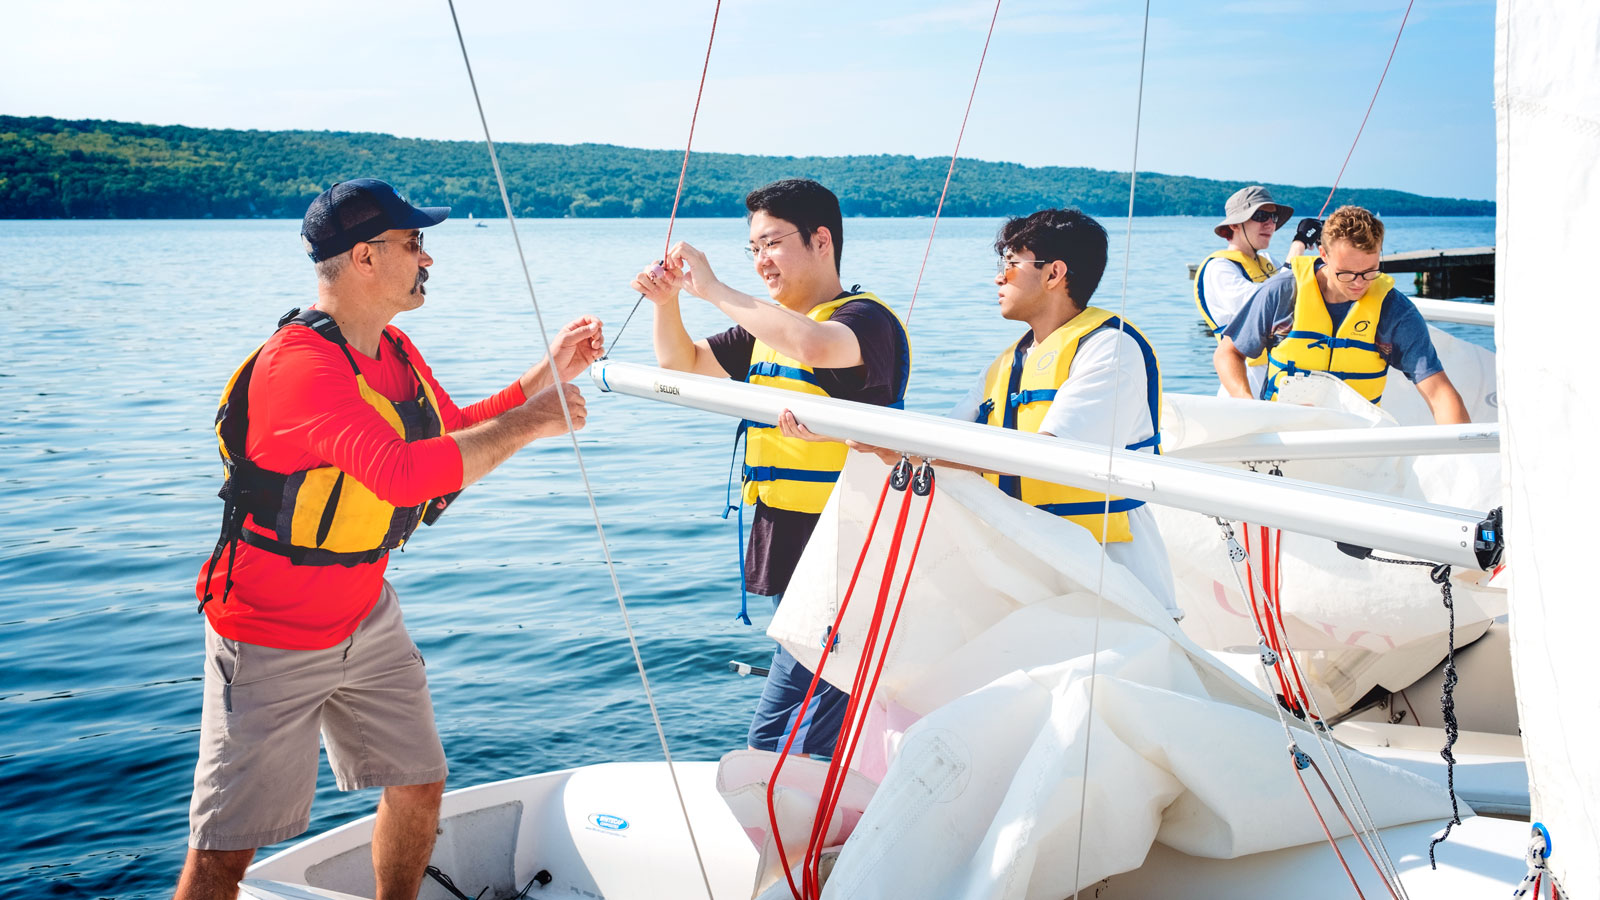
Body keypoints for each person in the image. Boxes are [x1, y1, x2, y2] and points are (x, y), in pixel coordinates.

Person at [175, 178, 604, 900]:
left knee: (418, 781)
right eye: (413, 244)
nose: (426, 258)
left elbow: (455, 428)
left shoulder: (394, 349)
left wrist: (546, 377)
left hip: (364, 610)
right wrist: (536, 422)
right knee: (226, 853)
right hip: (269, 630)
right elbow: (404, 476)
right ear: (365, 257)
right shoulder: (300, 366)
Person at [629, 178, 911, 757]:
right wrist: (669, 304)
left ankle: (811, 837)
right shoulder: (763, 327)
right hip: (793, 548)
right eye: (752, 249)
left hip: (850, 555)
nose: (761, 261)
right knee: (793, 739)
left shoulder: (866, 321)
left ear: (821, 240)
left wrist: (712, 288)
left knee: (786, 743)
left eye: (771, 244)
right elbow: (680, 364)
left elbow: (814, 346)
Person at [852, 208, 1177, 615]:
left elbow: (1049, 455)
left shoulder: (1110, 349)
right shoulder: (1008, 362)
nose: (998, 277)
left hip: (1105, 569)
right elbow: (947, 437)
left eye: (1010, 263)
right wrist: (850, 430)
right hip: (1024, 562)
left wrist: (908, 452)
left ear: (1054, 273)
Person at [1214, 205, 1470, 424]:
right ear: (1323, 254)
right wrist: (1250, 407)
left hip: (1355, 444)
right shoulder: (1281, 292)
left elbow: (1439, 392)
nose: (1359, 283)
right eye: (1346, 273)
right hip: (1283, 436)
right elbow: (1228, 353)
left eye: (1370, 272)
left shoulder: (1395, 311)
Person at [1193, 186, 1295, 399]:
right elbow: (1266, 306)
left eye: (1273, 217)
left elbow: (1296, 291)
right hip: (1246, 382)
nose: (1270, 224)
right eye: (1260, 216)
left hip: (1277, 376)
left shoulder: (1268, 261)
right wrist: (1298, 247)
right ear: (1234, 224)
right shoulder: (1219, 268)